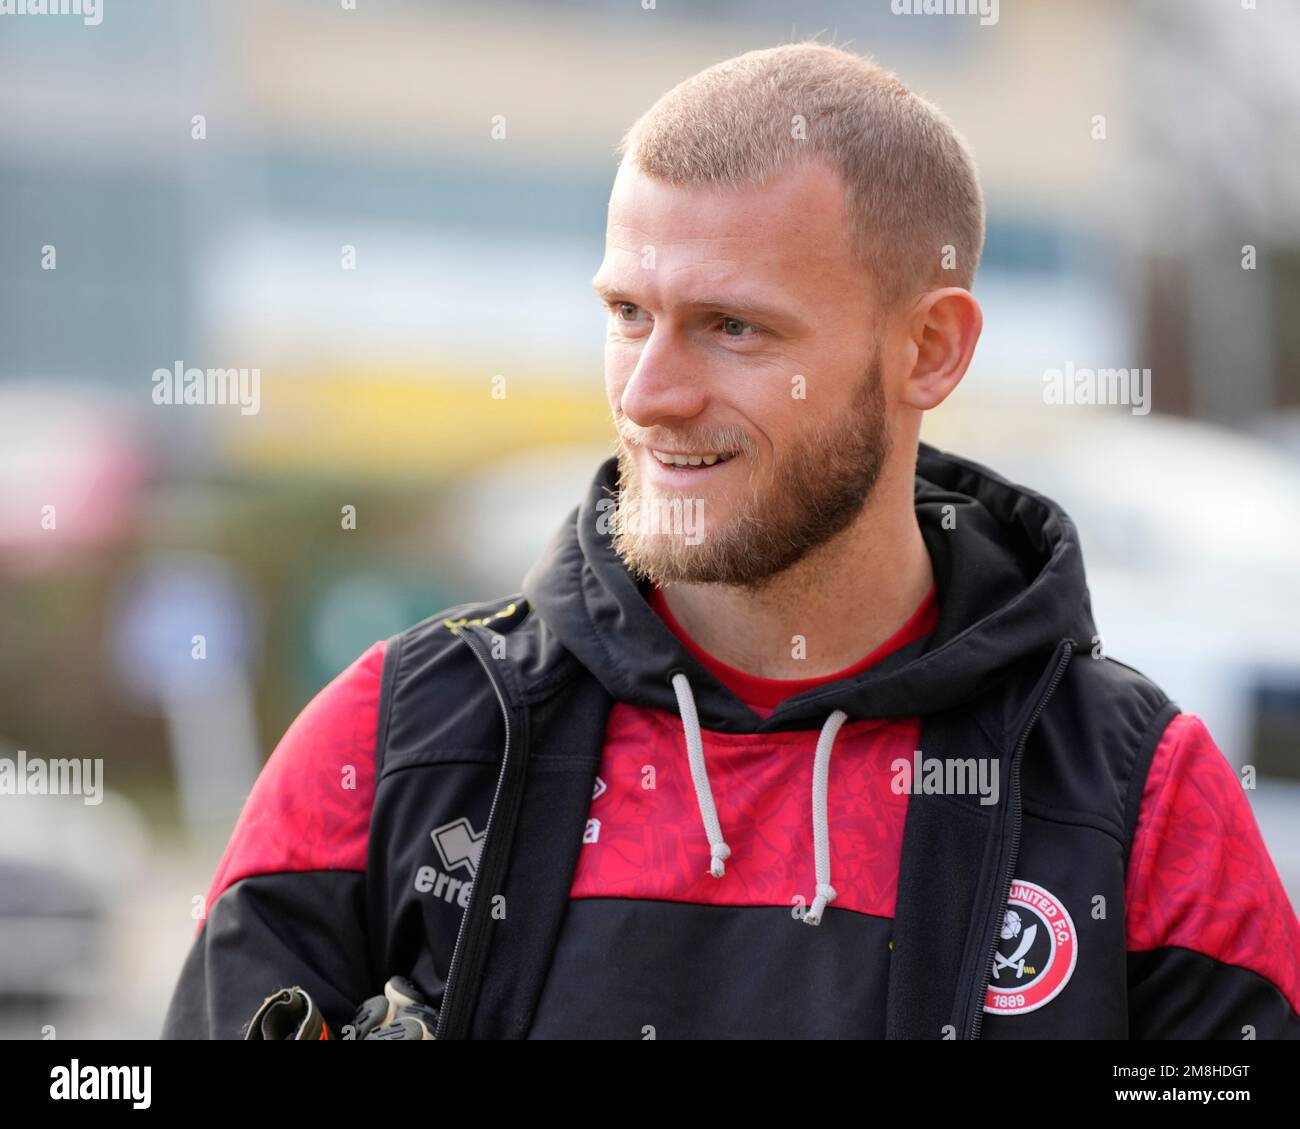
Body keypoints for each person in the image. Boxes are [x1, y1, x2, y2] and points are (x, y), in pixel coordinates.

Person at [161, 42, 1300, 1040]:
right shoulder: (399, 742)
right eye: (625, 315)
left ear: (930, 351)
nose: (650, 393)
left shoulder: (1138, 801)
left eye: (732, 326)